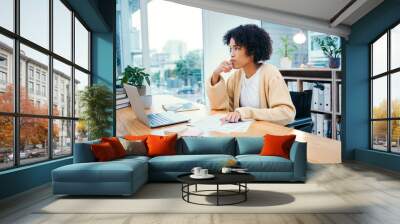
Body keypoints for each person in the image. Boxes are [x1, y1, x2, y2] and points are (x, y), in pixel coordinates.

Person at [206, 24, 296, 125]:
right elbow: (222, 109)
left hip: (267, 135)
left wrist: (247, 112)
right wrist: (216, 74)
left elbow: (287, 113)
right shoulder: (235, 77)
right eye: (231, 48)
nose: (232, 54)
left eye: (237, 48)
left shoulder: (270, 73)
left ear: (252, 50)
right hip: (245, 134)